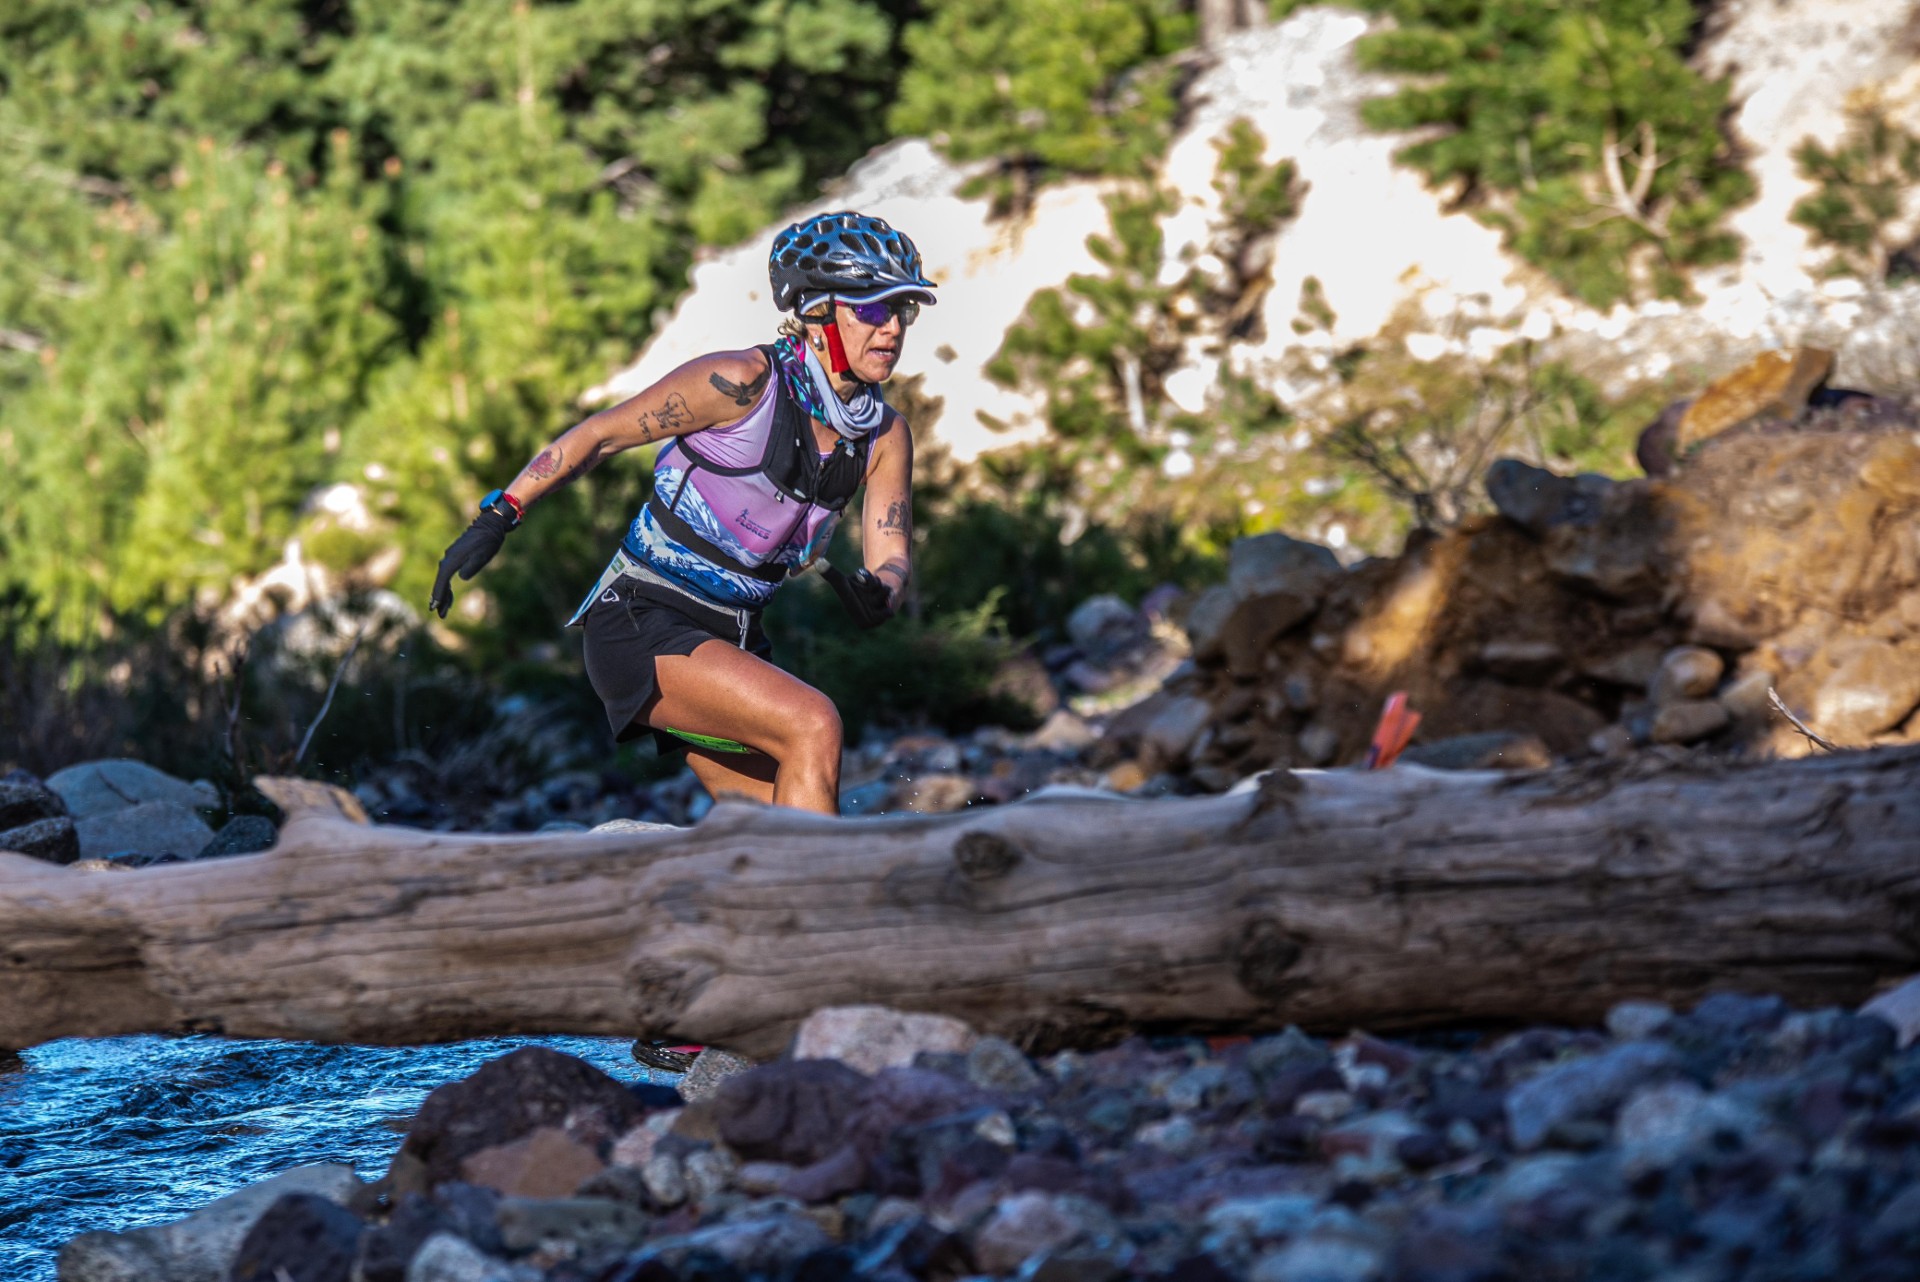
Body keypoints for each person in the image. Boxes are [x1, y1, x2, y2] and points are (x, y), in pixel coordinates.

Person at [429, 210, 934, 818]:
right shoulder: (741, 383)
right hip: (642, 618)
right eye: (872, 310)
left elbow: (892, 550)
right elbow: (599, 437)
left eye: (902, 311)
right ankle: (823, 908)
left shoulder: (883, 436)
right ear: (818, 312)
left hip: (737, 638)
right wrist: (498, 515)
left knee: (774, 824)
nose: (892, 330)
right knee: (814, 723)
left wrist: (884, 589)